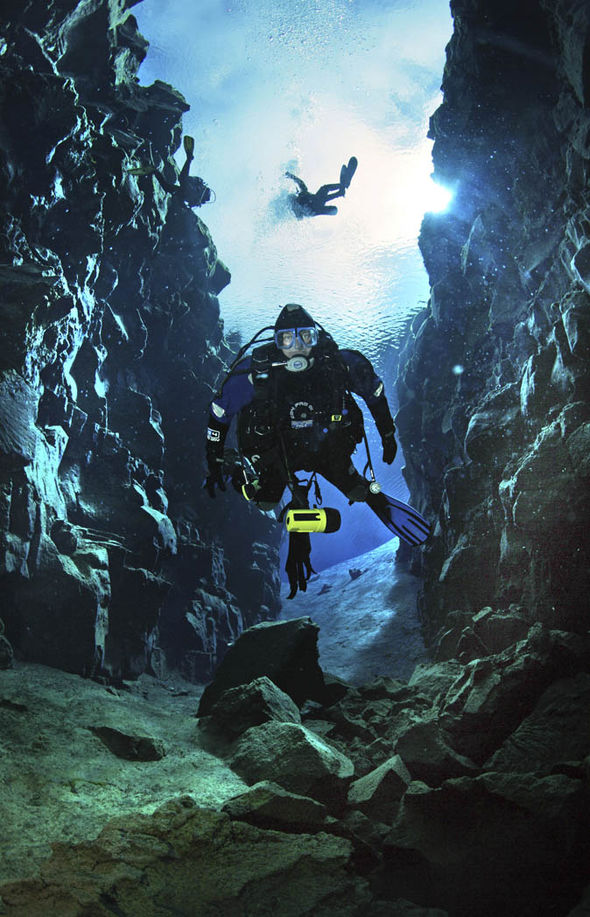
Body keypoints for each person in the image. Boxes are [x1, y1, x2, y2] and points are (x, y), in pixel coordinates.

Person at [204, 303, 400, 597]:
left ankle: (368, 495)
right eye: (287, 339)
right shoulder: (256, 373)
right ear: (276, 342)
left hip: (326, 447)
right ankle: (250, 478)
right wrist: (216, 455)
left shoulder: (337, 365)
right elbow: (220, 413)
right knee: (265, 502)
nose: (297, 347)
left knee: (358, 492)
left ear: (316, 337)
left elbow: (374, 392)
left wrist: (387, 432)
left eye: (305, 337)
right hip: (276, 452)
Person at [128, 136, 213, 207]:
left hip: (181, 191)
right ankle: (153, 170)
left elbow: (188, 199)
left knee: (168, 185)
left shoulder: (199, 192)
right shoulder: (198, 197)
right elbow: (189, 200)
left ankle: (153, 170)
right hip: (182, 191)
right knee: (170, 184)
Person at [285, 156, 358, 218]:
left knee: (323, 191)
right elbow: (299, 216)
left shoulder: (302, 194)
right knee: (323, 191)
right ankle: (342, 188)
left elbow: (300, 183)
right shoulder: (297, 203)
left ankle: (342, 188)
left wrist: (291, 176)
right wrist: (291, 176)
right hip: (314, 209)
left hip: (315, 206)